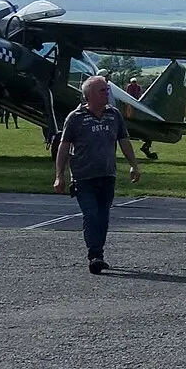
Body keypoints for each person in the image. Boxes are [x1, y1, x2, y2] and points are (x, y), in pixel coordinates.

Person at [53, 74, 140, 274]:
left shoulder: (114, 114)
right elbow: (64, 147)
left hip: (107, 175)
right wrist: (59, 175)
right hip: (83, 177)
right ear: (90, 95)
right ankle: (94, 255)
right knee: (91, 215)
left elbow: (124, 141)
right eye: (103, 90)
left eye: (107, 90)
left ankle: (98, 252)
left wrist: (134, 165)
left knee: (103, 217)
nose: (107, 93)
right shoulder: (75, 118)